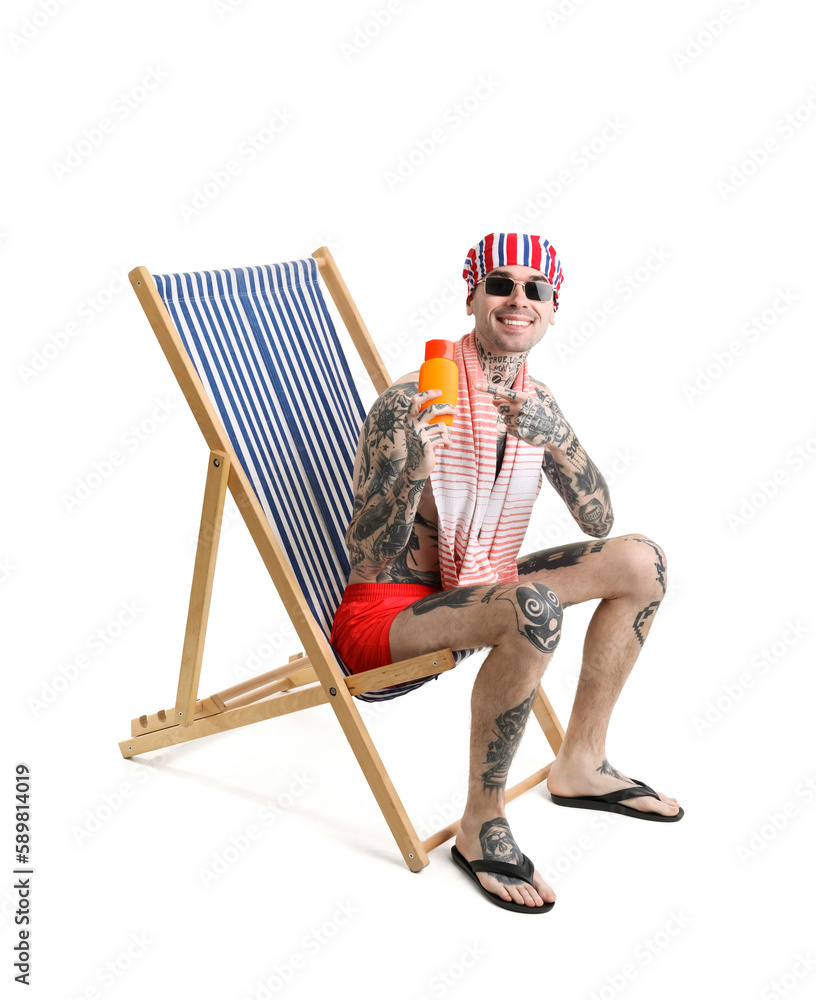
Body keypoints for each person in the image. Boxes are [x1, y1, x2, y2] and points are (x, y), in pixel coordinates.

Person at [330, 232, 682, 914]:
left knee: (643, 561)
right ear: (473, 298)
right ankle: (479, 822)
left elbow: (597, 521)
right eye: (501, 285)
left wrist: (557, 437)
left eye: (535, 290)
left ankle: (580, 762)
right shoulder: (412, 402)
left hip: (477, 584)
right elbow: (365, 551)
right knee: (534, 608)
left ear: (552, 311)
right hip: (386, 614)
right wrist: (413, 473)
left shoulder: (533, 399)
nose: (517, 299)